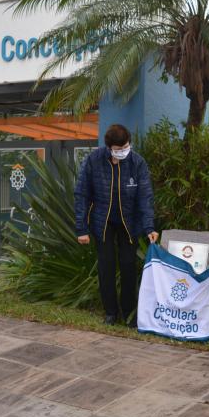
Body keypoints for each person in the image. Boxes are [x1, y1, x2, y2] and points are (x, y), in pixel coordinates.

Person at [74, 124, 158, 326]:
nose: (122, 152)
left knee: (129, 266)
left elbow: (145, 197)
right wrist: (81, 229)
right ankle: (110, 312)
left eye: (126, 147)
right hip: (102, 223)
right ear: (109, 147)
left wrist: (149, 227)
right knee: (106, 266)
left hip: (129, 223)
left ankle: (129, 313)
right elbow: (81, 194)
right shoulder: (93, 161)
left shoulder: (137, 163)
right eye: (118, 149)